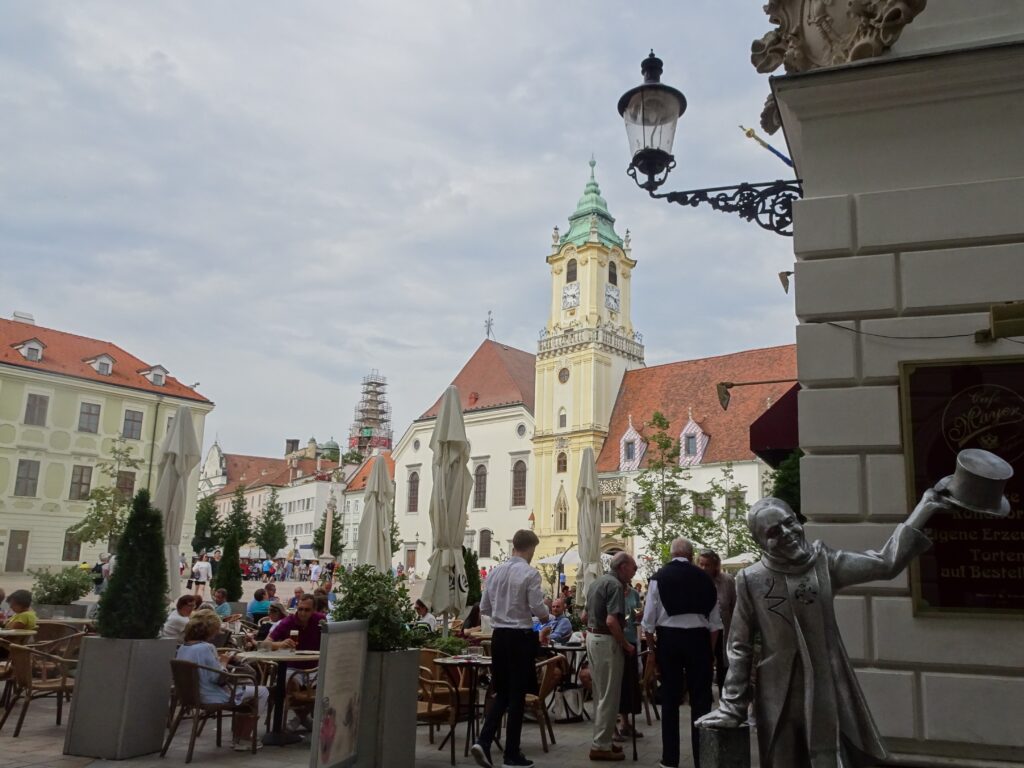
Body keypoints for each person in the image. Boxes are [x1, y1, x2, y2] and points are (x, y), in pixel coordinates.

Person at [698, 491, 951, 768]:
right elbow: (739, 645)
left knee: (829, 758)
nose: (787, 533)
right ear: (761, 542)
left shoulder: (825, 562)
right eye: (773, 531)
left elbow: (886, 562)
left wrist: (925, 506)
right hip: (777, 697)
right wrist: (732, 706)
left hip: (827, 687)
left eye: (789, 522)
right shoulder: (751, 578)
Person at [472, 529, 549, 768]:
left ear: (513, 545)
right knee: (516, 696)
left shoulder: (495, 573)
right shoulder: (529, 574)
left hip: (499, 637)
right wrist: (544, 613)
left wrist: (503, 612)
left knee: (503, 692)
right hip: (520, 637)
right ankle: (511, 754)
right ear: (530, 548)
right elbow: (540, 611)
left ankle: (484, 741)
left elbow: (484, 607)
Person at [643, 538, 721, 768]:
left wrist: (651, 649)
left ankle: (670, 759)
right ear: (691, 554)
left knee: (670, 698)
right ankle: (701, 757)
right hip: (698, 640)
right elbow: (715, 624)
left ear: (672, 554)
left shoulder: (659, 578)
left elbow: (648, 621)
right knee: (701, 700)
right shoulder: (705, 579)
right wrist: (710, 651)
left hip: (670, 641)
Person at [176, 609, 269, 750]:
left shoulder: (184, 647)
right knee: (262, 691)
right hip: (210, 695)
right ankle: (243, 738)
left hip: (191, 695)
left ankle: (238, 737)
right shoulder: (207, 648)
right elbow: (218, 678)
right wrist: (224, 662)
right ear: (210, 629)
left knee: (246, 690)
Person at [583, 551, 637, 762]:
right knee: (609, 696)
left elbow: (584, 615)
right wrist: (625, 644)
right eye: (633, 568)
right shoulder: (614, 585)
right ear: (622, 567)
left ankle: (603, 740)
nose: (634, 573)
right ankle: (601, 745)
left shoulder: (597, 583)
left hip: (592, 637)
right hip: (606, 641)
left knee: (600, 694)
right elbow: (612, 621)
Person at [269, 594, 325, 730]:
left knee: (326, 686)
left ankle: (299, 719)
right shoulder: (288, 622)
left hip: (315, 667)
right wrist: (280, 644)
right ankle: (303, 718)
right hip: (293, 667)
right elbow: (265, 643)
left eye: (307, 610)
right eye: (300, 609)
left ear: (314, 610)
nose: (302, 613)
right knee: (287, 684)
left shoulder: (320, 621)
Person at [697, 549, 736, 691]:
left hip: (724, 629)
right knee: (703, 664)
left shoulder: (727, 581)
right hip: (703, 630)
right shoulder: (695, 581)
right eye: (701, 564)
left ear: (715, 565)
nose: (703, 568)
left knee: (724, 665)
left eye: (707, 565)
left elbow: (735, 607)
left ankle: (724, 696)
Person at [616, 581, 644, 742]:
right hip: (617, 641)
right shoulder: (613, 591)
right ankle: (616, 724)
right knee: (617, 684)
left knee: (629, 684)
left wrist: (639, 613)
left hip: (631, 639)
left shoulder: (633, 593)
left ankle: (626, 723)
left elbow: (638, 609)